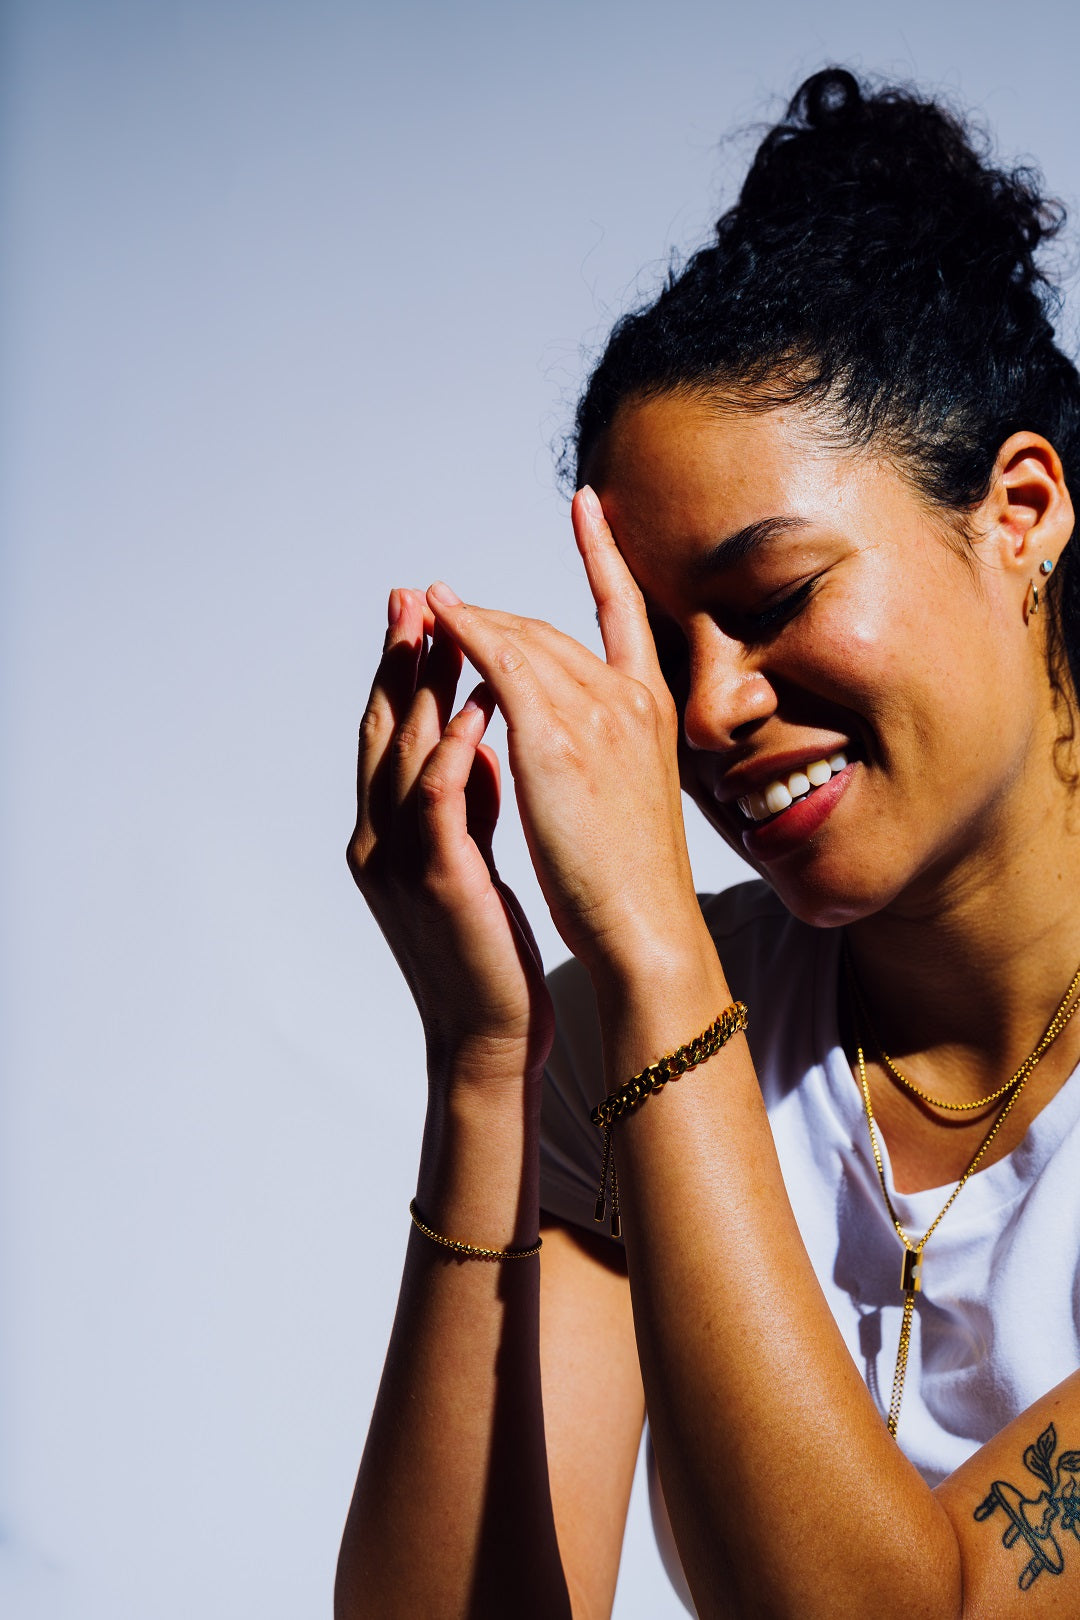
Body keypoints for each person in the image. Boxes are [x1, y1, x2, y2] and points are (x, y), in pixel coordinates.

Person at [336, 67, 1080, 1618]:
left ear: (1018, 512)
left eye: (775, 598)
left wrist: (662, 959)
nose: (710, 708)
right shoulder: (643, 1022)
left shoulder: (671, 999)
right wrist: (490, 1057)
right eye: (660, 654)